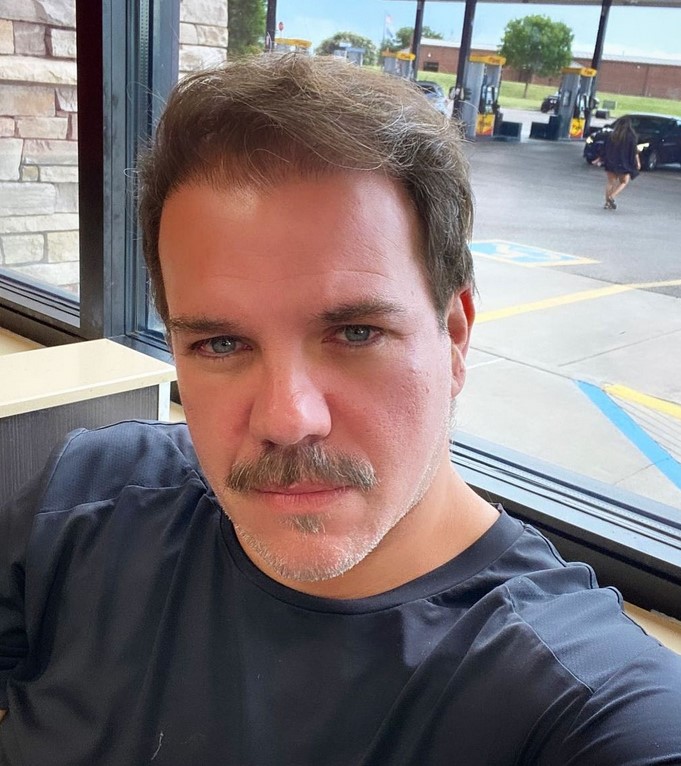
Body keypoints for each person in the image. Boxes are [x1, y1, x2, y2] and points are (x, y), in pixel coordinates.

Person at [1, 54, 680, 766]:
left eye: (355, 333)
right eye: (221, 344)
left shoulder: (575, 700)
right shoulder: (84, 505)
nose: (287, 419)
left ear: (453, 337)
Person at [602, 116, 641, 209]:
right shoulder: (631, 137)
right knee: (624, 181)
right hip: (623, 163)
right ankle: (612, 196)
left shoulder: (612, 135)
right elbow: (634, 151)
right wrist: (638, 162)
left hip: (611, 161)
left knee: (610, 182)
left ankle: (607, 203)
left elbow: (606, 148)